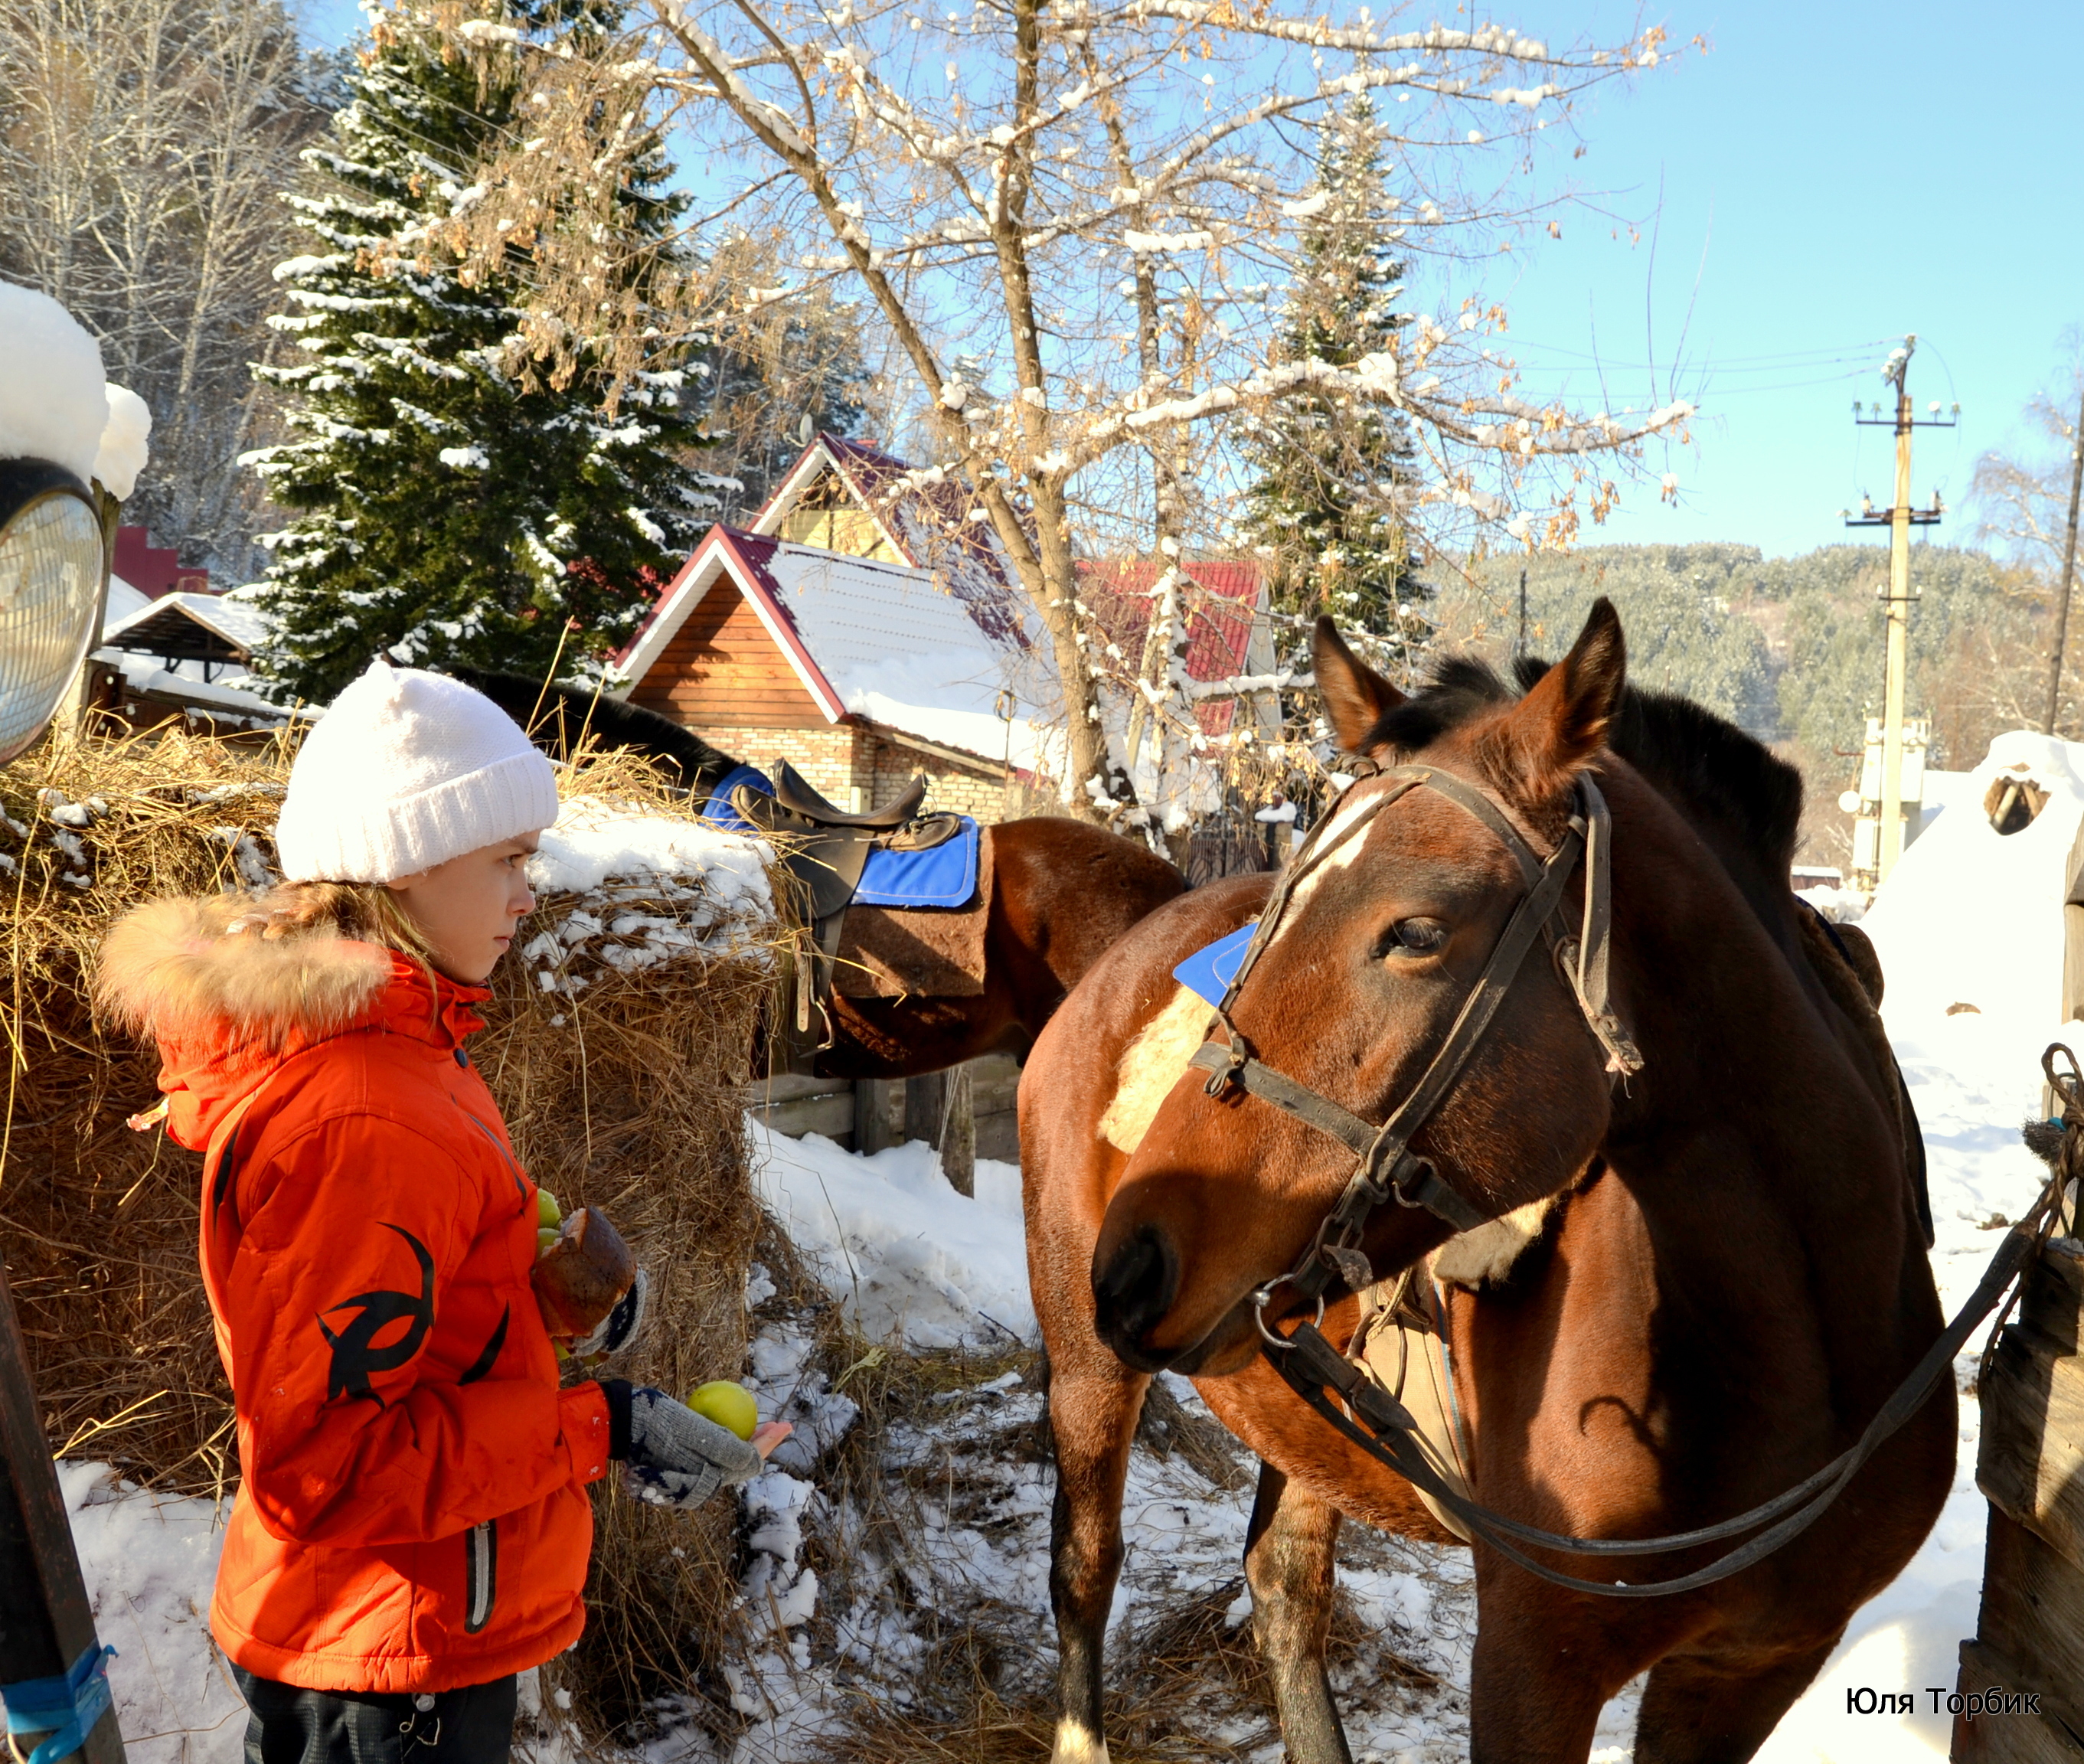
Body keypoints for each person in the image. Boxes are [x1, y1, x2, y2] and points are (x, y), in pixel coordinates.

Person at [96, 661, 787, 1764]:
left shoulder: (407, 1059)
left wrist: (543, 1302)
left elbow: (411, 1332)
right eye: (509, 857)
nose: (530, 890)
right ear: (407, 865)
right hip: (385, 1646)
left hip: (398, 1624)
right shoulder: (369, 1116)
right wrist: (600, 1427)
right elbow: (330, 1463)